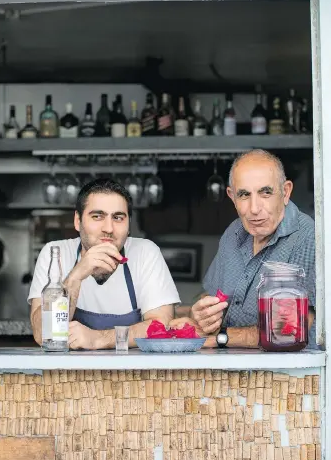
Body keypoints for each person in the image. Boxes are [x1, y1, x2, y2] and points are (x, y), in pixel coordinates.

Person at [172, 149, 316, 349]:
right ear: (232, 196)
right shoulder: (234, 232)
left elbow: (291, 331)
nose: (254, 208)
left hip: (288, 376)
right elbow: (212, 296)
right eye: (244, 195)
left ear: (286, 192)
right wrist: (202, 315)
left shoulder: (307, 236)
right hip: (231, 371)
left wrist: (222, 337)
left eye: (265, 193)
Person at [29, 178, 180, 350]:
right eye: (97, 216)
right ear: (78, 221)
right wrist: (76, 276)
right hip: (64, 375)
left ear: (129, 225)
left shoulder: (145, 252)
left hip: (134, 373)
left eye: (118, 217)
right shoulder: (55, 254)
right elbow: (42, 335)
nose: (108, 228)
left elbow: (161, 326)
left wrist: (99, 339)